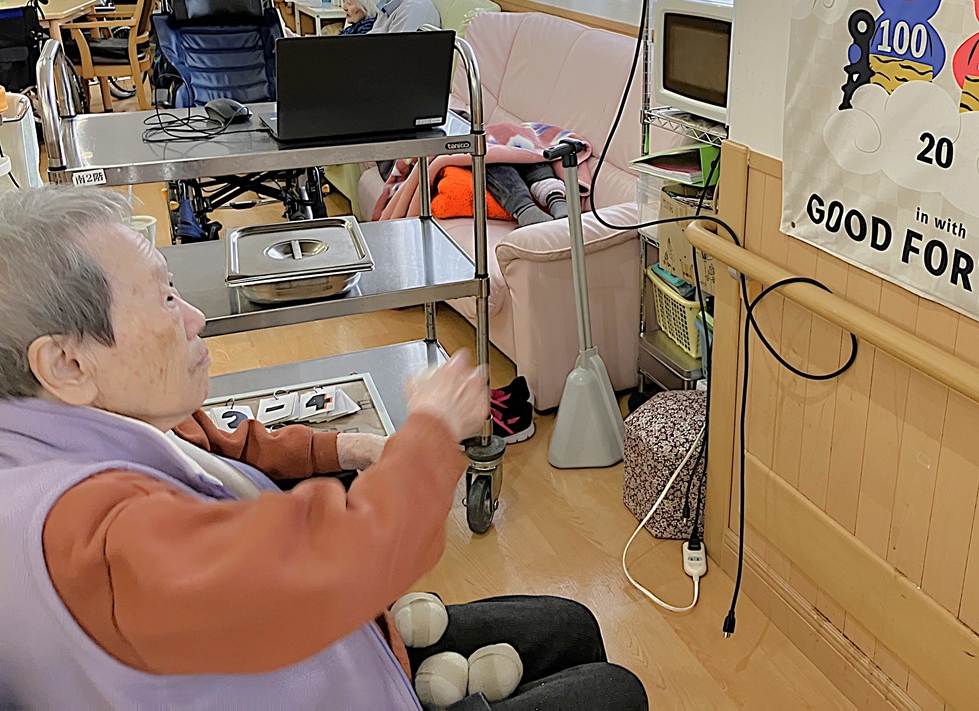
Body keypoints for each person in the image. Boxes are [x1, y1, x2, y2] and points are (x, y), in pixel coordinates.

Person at [0, 187, 647, 711]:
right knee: (615, 692)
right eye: (165, 298)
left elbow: (222, 445)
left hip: (328, 654)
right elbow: (330, 562)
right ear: (66, 362)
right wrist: (431, 431)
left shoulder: (75, 427)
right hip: (322, 653)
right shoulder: (92, 539)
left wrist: (347, 446)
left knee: (569, 625)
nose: (193, 316)